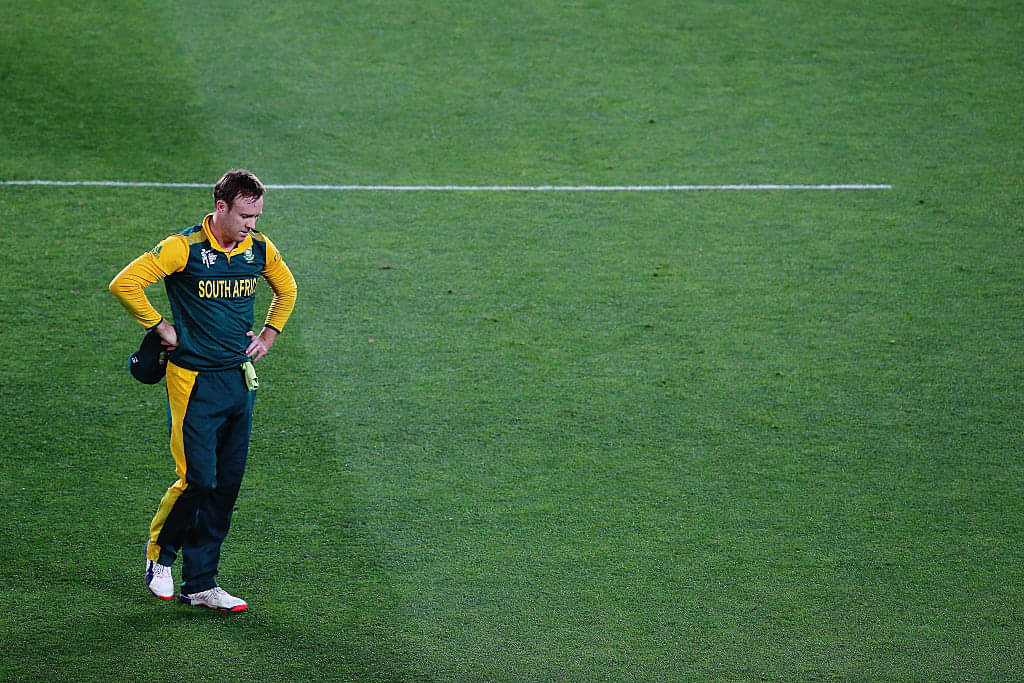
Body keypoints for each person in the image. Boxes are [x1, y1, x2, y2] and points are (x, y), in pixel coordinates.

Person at [109, 169, 297, 612]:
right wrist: (161, 326)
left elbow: (287, 289)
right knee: (198, 479)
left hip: (238, 379)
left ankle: (201, 583)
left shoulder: (259, 248)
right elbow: (125, 283)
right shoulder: (184, 247)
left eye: (257, 216)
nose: (252, 224)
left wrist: (268, 335)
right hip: (192, 381)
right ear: (221, 207)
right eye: (245, 216)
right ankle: (159, 557)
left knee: (226, 485)